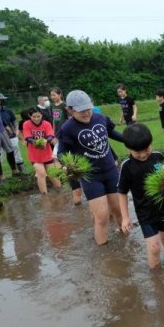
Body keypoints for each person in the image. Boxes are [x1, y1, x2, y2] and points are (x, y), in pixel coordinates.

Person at [57, 90, 124, 245]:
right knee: (102, 216)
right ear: (70, 110)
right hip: (91, 177)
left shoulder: (100, 118)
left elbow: (113, 134)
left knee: (119, 211)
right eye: (81, 111)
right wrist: (68, 166)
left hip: (111, 172)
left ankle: (125, 242)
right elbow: (61, 153)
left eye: (88, 109)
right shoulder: (68, 128)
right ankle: (104, 254)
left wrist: (133, 141)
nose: (87, 114)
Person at [117, 123, 164, 269]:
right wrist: (125, 217)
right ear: (128, 149)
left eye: (146, 149)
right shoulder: (127, 166)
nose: (143, 155)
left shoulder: (158, 157)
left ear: (151, 144)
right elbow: (122, 192)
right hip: (145, 213)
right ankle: (156, 278)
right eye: (138, 152)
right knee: (154, 247)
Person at [23, 107, 61, 194]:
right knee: (41, 174)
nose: (36, 119)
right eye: (34, 117)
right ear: (29, 116)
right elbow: (28, 138)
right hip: (34, 156)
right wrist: (35, 142)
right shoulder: (26, 124)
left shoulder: (46, 124)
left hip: (47, 154)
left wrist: (46, 140)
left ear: (42, 115)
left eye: (38, 116)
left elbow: (50, 135)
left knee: (54, 177)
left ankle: (60, 194)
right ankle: (45, 197)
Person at [0, 94, 20, 180]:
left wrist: (6, 126)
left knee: (10, 150)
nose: (0, 101)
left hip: (1, 129)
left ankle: (15, 171)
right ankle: (0, 175)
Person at [0, 92, 25, 173]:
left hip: (11, 136)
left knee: (17, 155)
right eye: (1, 99)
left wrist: (17, 130)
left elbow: (14, 121)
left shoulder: (8, 110)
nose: (3, 101)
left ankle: (21, 172)